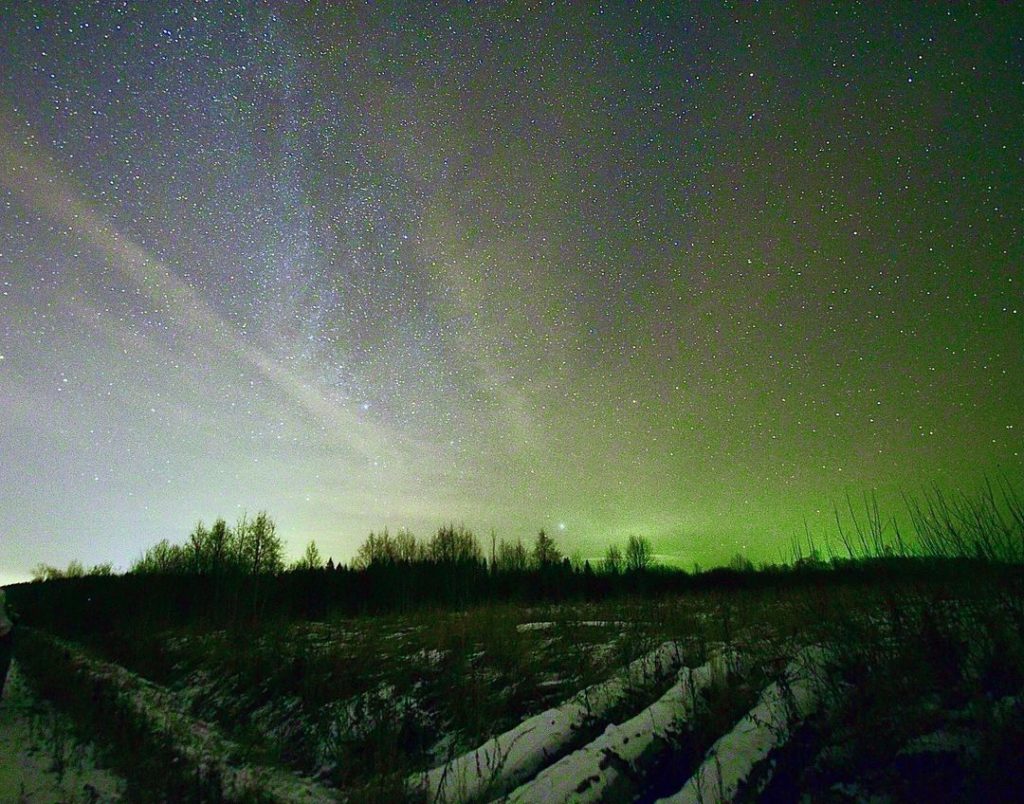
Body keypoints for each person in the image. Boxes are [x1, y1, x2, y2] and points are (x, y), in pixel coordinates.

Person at [0, 588, 13, 698]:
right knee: (3, 664)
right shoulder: (3, 594)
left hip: (5, 632)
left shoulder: (3, 594)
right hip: (5, 632)